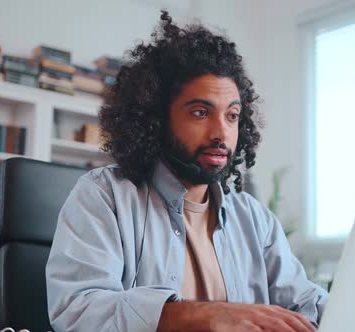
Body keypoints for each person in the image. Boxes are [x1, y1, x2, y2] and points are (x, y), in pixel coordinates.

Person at [46, 11, 328, 332]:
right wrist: (209, 315)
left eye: (232, 116)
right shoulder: (104, 196)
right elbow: (79, 311)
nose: (221, 132)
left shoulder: (254, 219)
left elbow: (307, 304)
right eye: (200, 112)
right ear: (157, 119)